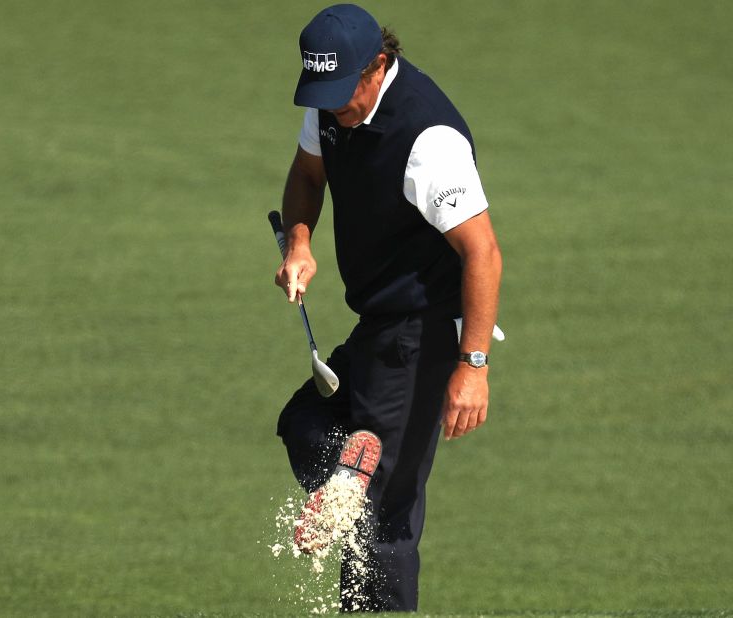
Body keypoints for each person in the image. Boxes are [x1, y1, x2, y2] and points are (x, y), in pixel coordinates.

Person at [273, 3, 502, 612]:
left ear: (378, 65)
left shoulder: (428, 141)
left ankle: (352, 487)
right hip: (378, 322)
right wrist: (300, 244)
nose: (333, 109)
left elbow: (483, 254)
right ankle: (346, 482)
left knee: (386, 518)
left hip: (424, 332)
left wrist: (472, 365)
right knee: (305, 424)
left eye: (342, 94)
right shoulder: (330, 100)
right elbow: (306, 174)